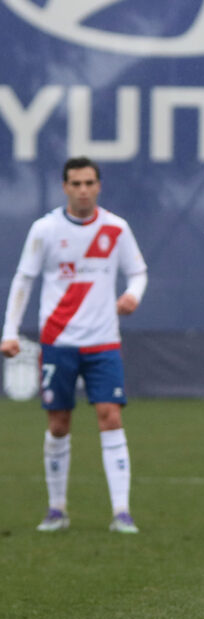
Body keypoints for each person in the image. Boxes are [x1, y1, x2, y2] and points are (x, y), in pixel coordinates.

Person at [2, 156, 148, 534]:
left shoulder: (116, 228)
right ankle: (56, 509)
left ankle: (121, 512)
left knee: (110, 416)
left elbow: (138, 271)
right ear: (65, 187)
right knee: (59, 423)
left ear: (99, 186)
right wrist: (10, 331)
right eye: (76, 183)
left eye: (89, 183)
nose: (83, 190)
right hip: (58, 342)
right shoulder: (45, 229)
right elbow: (23, 280)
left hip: (103, 341)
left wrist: (133, 295)